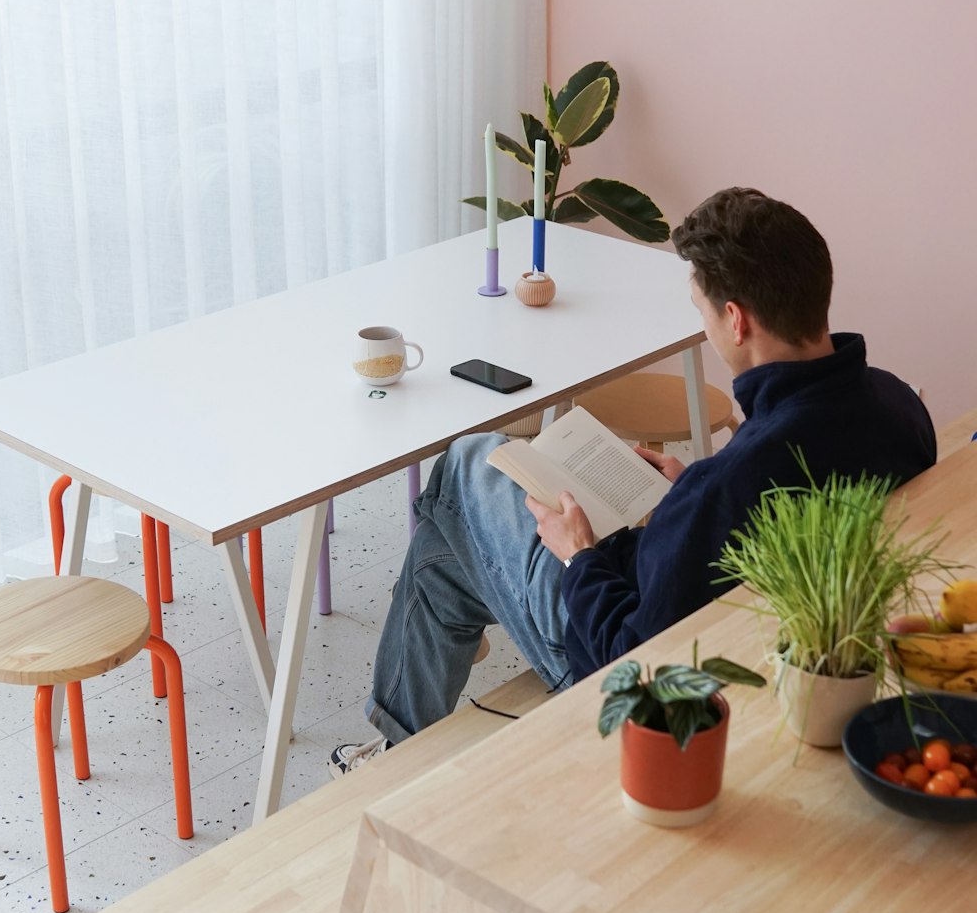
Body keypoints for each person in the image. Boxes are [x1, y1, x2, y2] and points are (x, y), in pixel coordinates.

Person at [329, 187, 936, 775]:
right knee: (444, 565)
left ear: (735, 319)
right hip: (761, 631)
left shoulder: (725, 487)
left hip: (607, 649)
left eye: (702, 312)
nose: (705, 330)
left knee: (466, 465)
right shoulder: (898, 405)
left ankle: (393, 749)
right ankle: (394, 750)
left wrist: (577, 555)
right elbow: (772, 500)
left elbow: (629, 663)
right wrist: (687, 495)